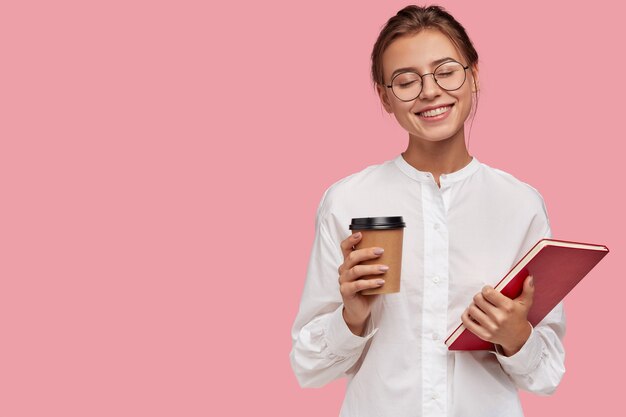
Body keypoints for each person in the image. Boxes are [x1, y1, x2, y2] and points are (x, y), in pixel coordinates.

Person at [290, 4, 566, 417]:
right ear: (385, 97)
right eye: (405, 81)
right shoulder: (347, 201)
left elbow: (548, 376)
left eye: (446, 71)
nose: (430, 91)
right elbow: (307, 368)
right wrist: (351, 316)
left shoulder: (520, 204)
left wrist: (516, 337)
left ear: (473, 76)